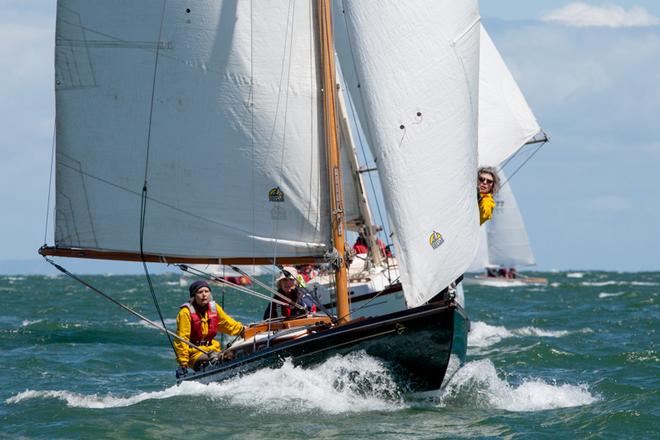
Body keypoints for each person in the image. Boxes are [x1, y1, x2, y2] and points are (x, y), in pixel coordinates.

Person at [174, 280, 245, 377]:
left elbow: (227, 323)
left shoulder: (214, 308)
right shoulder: (185, 312)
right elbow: (182, 339)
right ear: (193, 296)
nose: (204, 295)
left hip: (213, 349)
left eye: (206, 291)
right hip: (195, 354)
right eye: (200, 292)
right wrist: (183, 364)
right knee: (222, 358)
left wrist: (243, 330)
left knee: (235, 354)